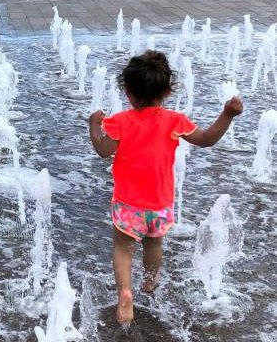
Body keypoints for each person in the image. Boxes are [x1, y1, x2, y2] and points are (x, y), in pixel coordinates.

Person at [89, 50, 243, 325]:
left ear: (128, 92)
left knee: (123, 246)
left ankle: (126, 291)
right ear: (167, 91)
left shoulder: (120, 122)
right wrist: (227, 115)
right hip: (160, 204)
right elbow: (207, 139)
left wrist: (94, 126)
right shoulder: (175, 120)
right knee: (154, 242)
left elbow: (103, 150)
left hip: (127, 203)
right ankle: (149, 281)